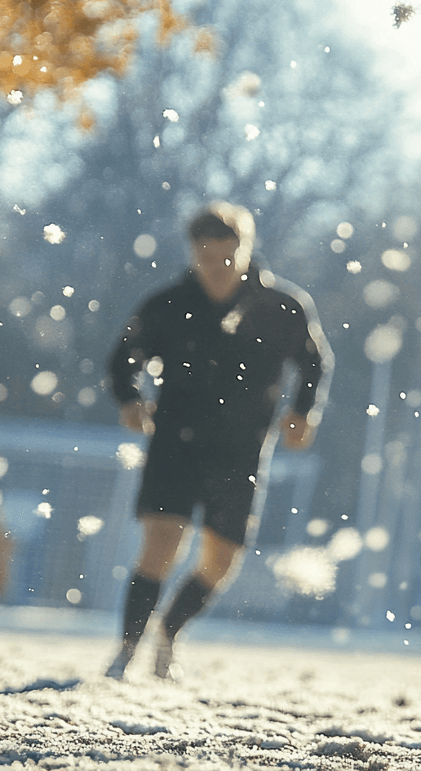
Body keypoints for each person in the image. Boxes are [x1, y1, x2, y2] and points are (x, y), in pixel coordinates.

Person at [104, 202, 331, 680]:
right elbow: (124, 356)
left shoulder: (282, 307)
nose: (216, 269)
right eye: (206, 258)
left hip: (242, 449)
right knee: (161, 544)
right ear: (192, 253)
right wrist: (129, 399)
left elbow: (314, 363)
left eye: (227, 258)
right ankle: (126, 651)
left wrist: (302, 413)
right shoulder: (165, 305)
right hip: (174, 442)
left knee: (220, 562)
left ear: (245, 251)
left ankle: (169, 632)